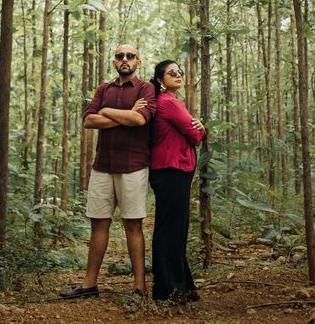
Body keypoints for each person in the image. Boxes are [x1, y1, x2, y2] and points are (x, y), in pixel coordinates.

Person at [59, 44, 156, 299]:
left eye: (130, 56)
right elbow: (89, 120)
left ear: (138, 61)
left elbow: (140, 120)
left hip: (133, 166)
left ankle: (139, 287)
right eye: (120, 56)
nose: (125, 59)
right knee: (98, 223)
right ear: (114, 62)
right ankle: (89, 285)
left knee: (133, 224)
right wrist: (125, 114)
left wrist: (108, 112)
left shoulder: (146, 88)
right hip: (102, 166)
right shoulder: (104, 88)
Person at [148, 59, 206, 303]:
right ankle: (168, 289)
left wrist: (198, 127)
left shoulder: (169, 102)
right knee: (171, 229)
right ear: (161, 80)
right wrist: (200, 129)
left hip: (171, 170)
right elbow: (194, 135)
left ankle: (181, 285)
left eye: (180, 71)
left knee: (173, 227)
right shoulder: (169, 102)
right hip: (171, 170)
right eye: (172, 73)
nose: (178, 75)